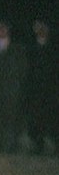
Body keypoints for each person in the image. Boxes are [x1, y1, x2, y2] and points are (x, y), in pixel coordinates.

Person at [0, 20, 29, 153]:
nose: (0, 31)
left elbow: (22, 68)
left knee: (11, 117)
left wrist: (16, 83)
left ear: (7, 30)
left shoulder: (17, 48)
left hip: (11, 88)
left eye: (2, 28)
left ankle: (11, 144)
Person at [22, 20, 58, 155]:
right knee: (35, 118)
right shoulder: (30, 47)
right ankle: (37, 145)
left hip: (51, 88)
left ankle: (54, 145)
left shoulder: (54, 46)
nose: (40, 30)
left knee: (52, 117)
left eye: (42, 27)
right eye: (37, 27)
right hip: (34, 89)